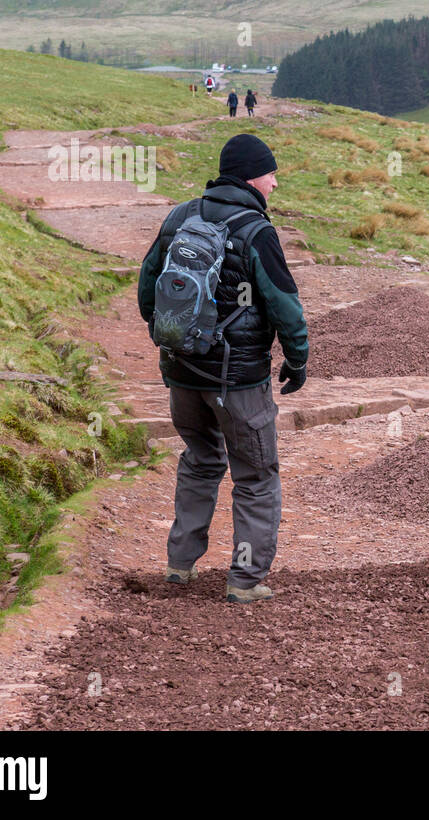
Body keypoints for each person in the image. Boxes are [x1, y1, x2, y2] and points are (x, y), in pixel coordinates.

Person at [137, 133, 309, 603]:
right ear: (253, 174)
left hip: (182, 373)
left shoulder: (180, 216)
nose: (274, 183)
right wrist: (297, 359)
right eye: (271, 173)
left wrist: (175, 337)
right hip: (238, 381)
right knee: (255, 476)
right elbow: (285, 307)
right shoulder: (257, 231)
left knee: (200, 461)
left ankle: (179, 565)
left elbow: (147, 288)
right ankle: (244, 581)